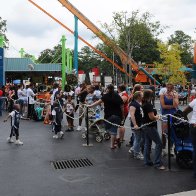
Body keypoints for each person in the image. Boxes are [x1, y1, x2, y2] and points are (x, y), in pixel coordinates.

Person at [89, 84, 124, 149]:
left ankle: (112, 145)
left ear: (107, 89)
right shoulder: (117, 96)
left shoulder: (105, 96)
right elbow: (122, 106)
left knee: (109, 129)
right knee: (114, 129)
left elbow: (98, 102)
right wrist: (123, 115)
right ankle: (116, 139)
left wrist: (90, 106)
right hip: (117, 115)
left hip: (108, 116)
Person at [142, 89, 165, 170]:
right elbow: (151, 117)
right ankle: (157, 163)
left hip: (145, 125)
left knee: (147, 143)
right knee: (159, 143)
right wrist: (158, 117)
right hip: (150, 126)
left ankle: (147, 161)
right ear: (150, 96)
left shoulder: (144, 103)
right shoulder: (148, 105)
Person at [160, 83, 179, 155]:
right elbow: (163, 106)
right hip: (165, 115)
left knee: (172, 132)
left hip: (173, 115)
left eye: (170, 88)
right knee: (164, 132)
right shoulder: (163, 95)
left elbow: (176, 105)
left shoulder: (175, 95)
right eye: (168, 88)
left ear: (173, 88)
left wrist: (174, 98)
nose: (169, 89)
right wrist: (172, 106)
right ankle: (163, 148)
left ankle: (170, 148)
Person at [129, 91, 144, 160]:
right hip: (136, 125)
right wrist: (135, 125)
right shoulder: (133, 104)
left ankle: (133, 149)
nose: (143, 96)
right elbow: (132, 115)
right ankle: (136, 153)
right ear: (138, 97)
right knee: (138, 139)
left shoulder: (138, 103)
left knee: (138, 138)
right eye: (142, 95)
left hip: (140, 124)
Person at [183, 99, 196, 179]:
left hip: (193, 125)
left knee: (195, 149)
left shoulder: (195, 101)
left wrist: (188, 122)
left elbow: (184, 112)